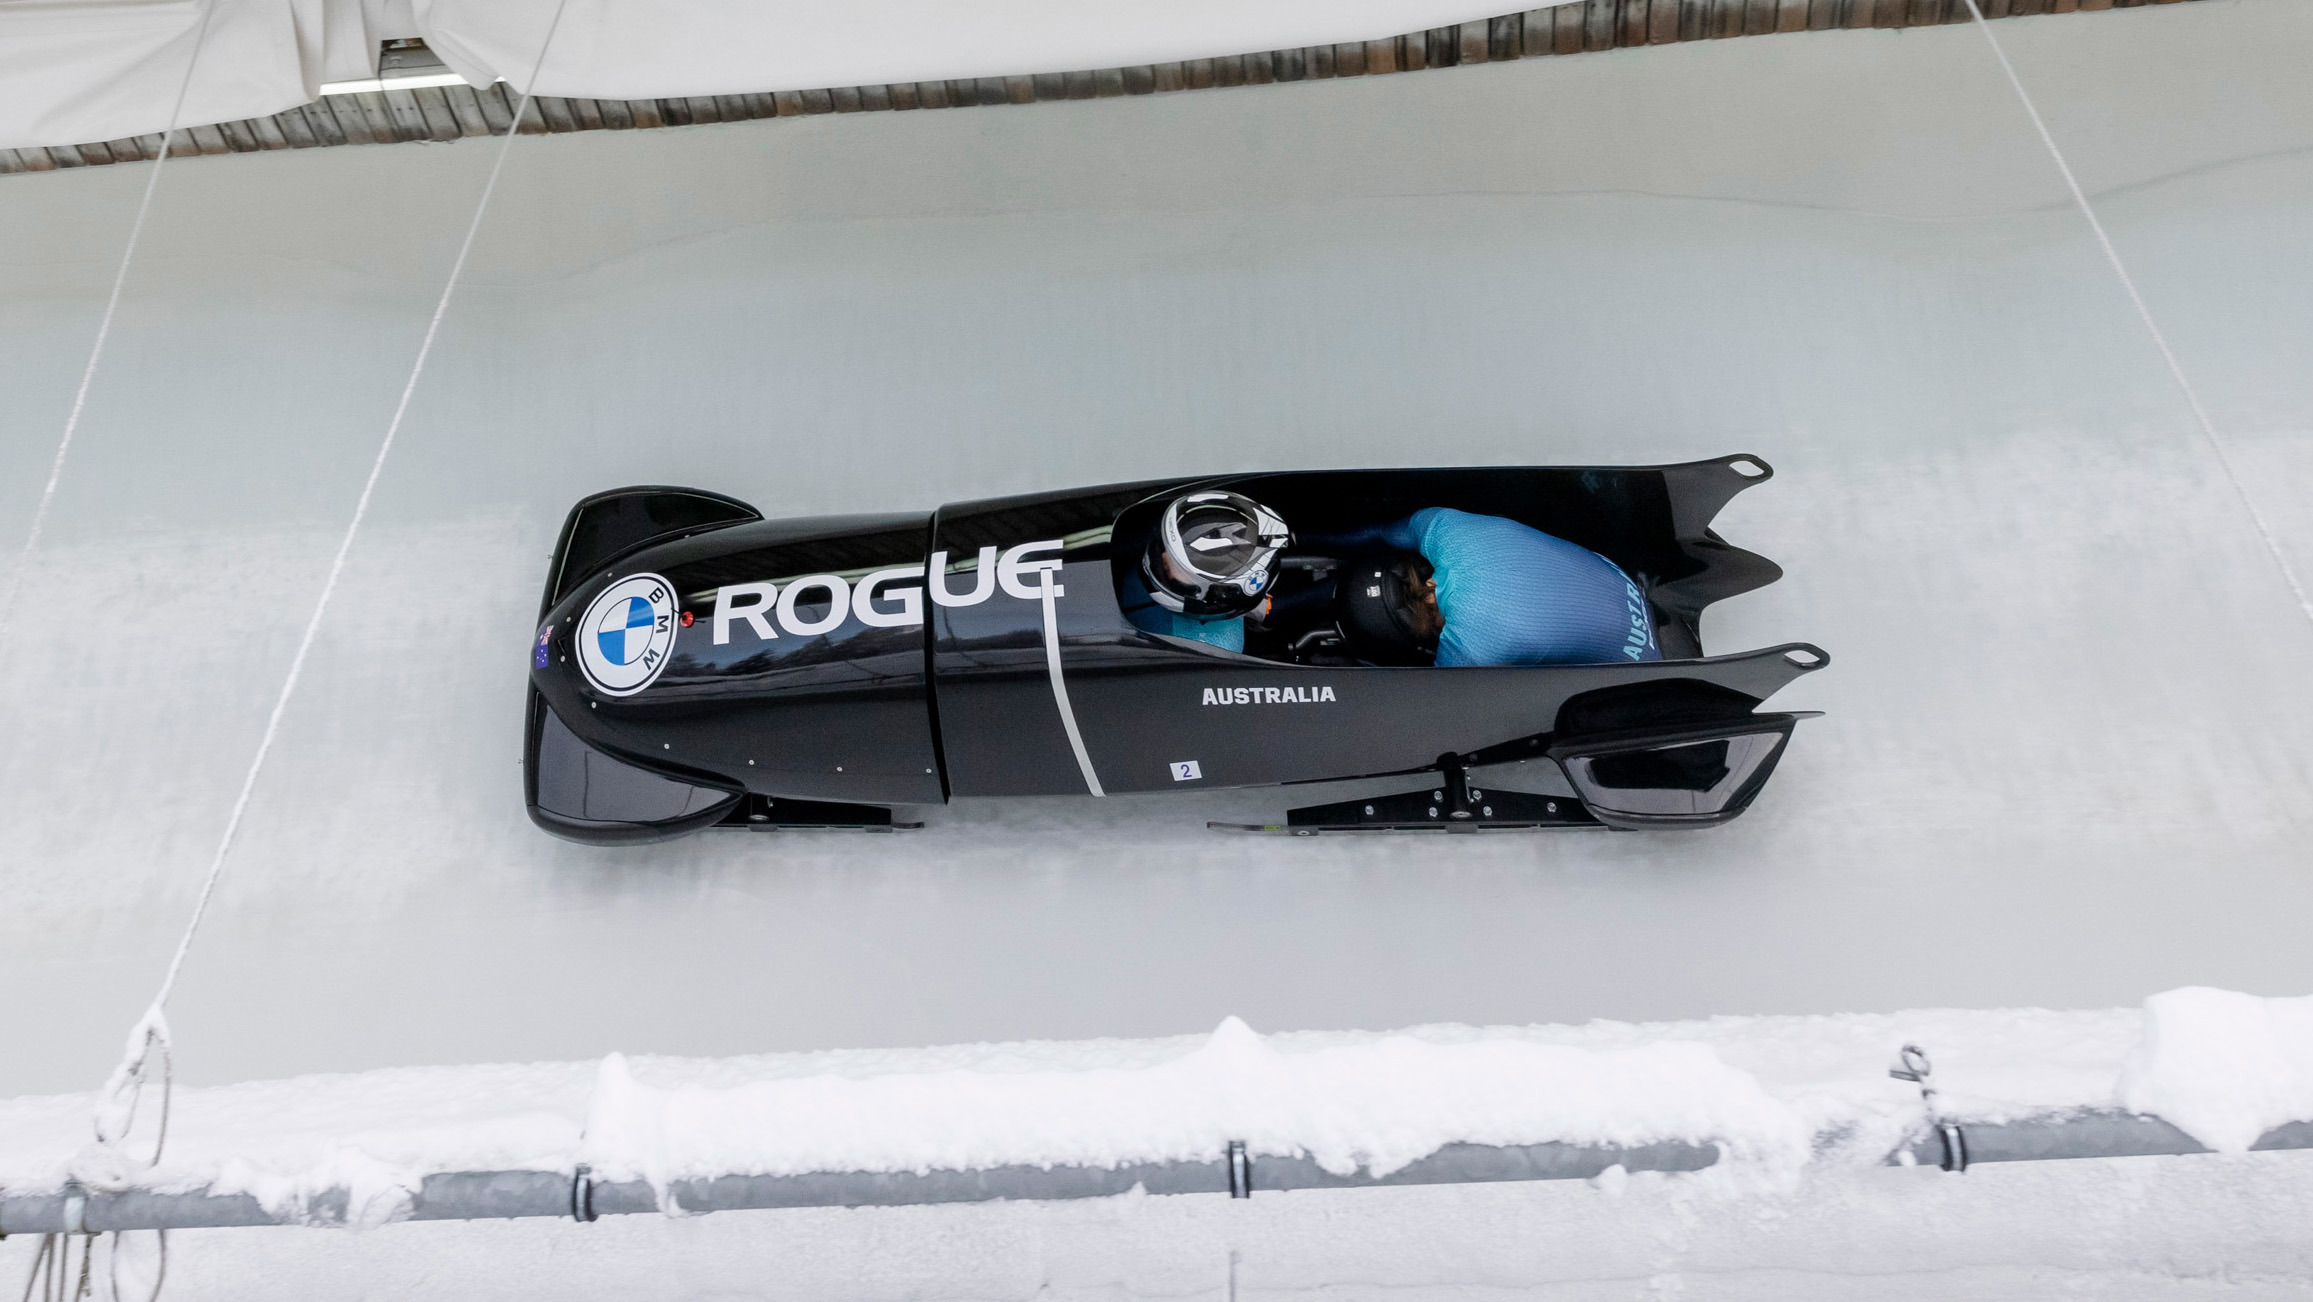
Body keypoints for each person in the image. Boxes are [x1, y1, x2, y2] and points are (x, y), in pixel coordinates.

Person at [1328, 507, 1659, 666]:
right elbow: (1380, 532)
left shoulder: (1470, 649)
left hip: (1643, 662)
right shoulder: (1440, 527)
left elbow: (1429, 702)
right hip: (1621, 581)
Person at [1120, 490, 1289, 652]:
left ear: (1217, 596)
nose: (1162, 556)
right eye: (1165, 548)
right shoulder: (1220, 647)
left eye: (1171, 569)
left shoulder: (1215, 648)